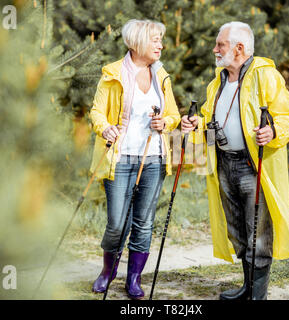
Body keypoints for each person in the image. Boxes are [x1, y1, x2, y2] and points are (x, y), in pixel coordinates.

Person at [181, 21, 289, 300]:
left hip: (253, 167)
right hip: (223, 164)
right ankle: (248, 288)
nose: (215, 49)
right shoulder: (219, 80)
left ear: (239, 48)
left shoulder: (266, 76)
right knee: (238, 231)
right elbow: (210, 119)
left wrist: (273, 131)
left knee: (258, 235)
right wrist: (196, 124)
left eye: (220, 45)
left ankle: (257, 296)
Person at [89, 19, 180, 300]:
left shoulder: (161, 75)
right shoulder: (113, 73)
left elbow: (174, 115)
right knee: (117, 223)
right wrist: (105, 127)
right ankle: (108, 272)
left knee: (144, 222)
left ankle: (134, 279)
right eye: (155, 40)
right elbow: (96, 111)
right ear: (138, 42)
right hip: (120, 158)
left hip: (153, 159)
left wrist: (164, 123)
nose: (160, 45)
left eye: (160, 40)